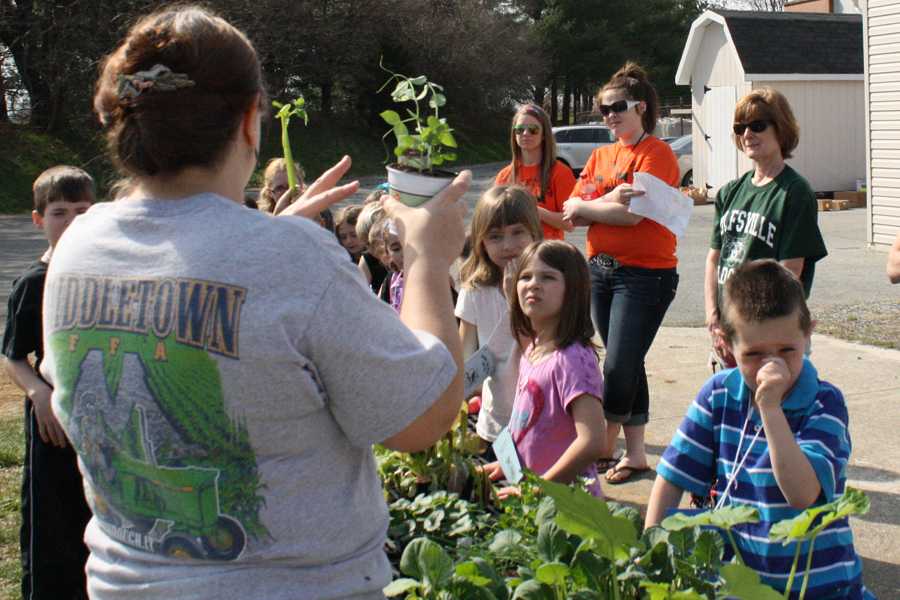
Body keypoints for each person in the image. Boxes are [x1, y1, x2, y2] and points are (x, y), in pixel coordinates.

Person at [40, 6, 468, 599]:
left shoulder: (77, 244)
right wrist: (428, 262)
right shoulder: (291, 258)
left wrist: (266, 245)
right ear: (249, 122)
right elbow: (421, 419)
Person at [646, 260, 872, 600]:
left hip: (819, 586)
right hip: (742, 583)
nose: (771, 365)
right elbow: (674, 474)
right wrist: (651, 551)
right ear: (725, 343)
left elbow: (802, 494)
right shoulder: (719, 393)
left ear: (808, 332)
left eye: (786, 350)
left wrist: (770, 408)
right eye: (753, 354)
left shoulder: (825, 404)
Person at [562, 62, 680, 484]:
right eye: (603, 108)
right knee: (630, 363)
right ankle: (635, 454)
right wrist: (609, 199)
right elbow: (569, 212)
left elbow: (632, 218)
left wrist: (594, 205)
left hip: (645, 275)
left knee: (618, 366)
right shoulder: (600, 155)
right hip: (600, 271)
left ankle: (600, 446)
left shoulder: (657, 154)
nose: (609, 115)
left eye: (617, 106)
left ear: (641, 108)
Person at [2, 165, 95, 600]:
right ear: (39, 219)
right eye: (60, 212)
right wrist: (38, 392)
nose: (73, 221)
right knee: (52, 529)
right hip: (52, 428)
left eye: (82, 210)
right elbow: (13, 356)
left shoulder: (105, 277)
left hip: (99, 421)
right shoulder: (32, 284)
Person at [704, 88, 827, 369]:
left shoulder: (795, 192)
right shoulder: (729, 193)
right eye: (740, 127)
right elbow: (714, 259)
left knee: (771, 409)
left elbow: (788, 274)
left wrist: (744, 334)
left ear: (781, 129)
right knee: (730, 411)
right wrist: (714, 319)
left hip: (769, 337)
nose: (747, 134)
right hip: (728, 331)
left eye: (758, 125)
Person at [482, 240, 605, 499]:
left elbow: (592, 442)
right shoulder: (533, 350)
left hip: (569, 506)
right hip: (533, 496)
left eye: (548, 277)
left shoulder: (572, 360)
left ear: (573, 290)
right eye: (525, 277)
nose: (533, 284)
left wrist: (540, 489)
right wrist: (507, 464)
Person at [456, 186, 542, 444]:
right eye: (495, 237)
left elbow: (552, 348)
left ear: (534, 233)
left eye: (518, 233)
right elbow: (465, 352)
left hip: (544, 417)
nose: (508, 246)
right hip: (497, 419)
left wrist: (516, 297)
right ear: (480, 241)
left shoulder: (551, 285)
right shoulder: (474, 290)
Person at [495, 104, 576, 240]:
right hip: (514, 252)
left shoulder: (561, 172)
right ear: (514, 134)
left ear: (544, 134)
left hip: (547, 254)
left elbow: (570, 223)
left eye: (533, 129)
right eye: (520, 129)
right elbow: (495, 219)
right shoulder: (504, 176)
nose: (526, 133)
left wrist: (534, 211)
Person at [356, 201, 390, 294]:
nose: (372, 250)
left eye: (375, 243)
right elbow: (359, 290)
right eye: (367, 244)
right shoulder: (368, 258)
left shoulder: (400, 257)